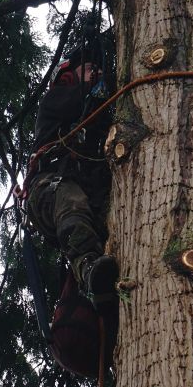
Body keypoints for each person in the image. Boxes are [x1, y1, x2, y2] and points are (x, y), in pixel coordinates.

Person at [25, 50, 118, 304]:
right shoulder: (56, 100)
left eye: (97, 69)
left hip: (87, 192)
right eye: (89, 68)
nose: (96, 72)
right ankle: (88, 268)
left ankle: (106, 278)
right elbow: (87, 97)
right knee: (70, 198)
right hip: (51, 187)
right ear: (68, 75)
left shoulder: (99, 124)